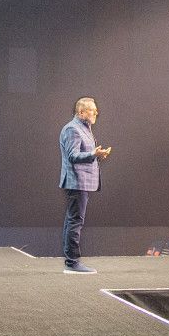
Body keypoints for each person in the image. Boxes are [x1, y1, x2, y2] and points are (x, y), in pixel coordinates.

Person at [59, 96, 111, 274]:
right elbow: (73, 155)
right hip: (77, 181)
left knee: (73, 220)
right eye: (92, 110)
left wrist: (96, 155)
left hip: (82, 182)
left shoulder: (84, 129)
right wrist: (92, 154)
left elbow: (85, 154)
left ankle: (71, 261)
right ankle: (72, 262)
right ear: (81, 112)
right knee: (75, 221)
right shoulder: (72, 129)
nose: (96, 112)